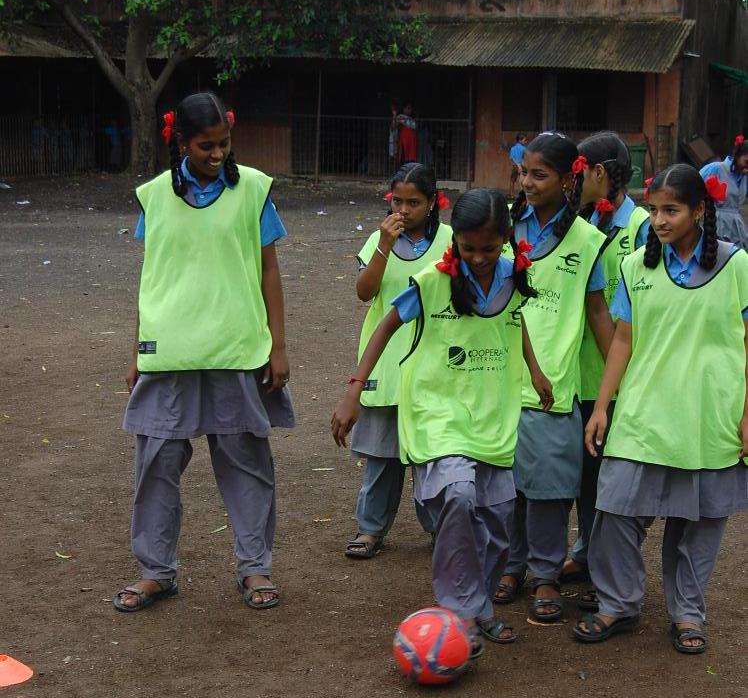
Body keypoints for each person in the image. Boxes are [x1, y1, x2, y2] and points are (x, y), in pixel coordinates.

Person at [332, 189, 553, 657]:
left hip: (492, 416)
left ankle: (479, 605)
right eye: (468, 248)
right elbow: (385, 326)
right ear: (456, 243)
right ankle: (459, 611)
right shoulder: (432, 282)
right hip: (438, 413)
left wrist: (535, 371)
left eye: (488, 249)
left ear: (505, 241)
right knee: (459, 495)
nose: (478, 258)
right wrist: (354, 390)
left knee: (496, 522)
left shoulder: (515, 276)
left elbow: (515, 323)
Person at [114, 92, 293, 612]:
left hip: (236, 349)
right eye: (205, 146)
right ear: (180, 142)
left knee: (246, 463)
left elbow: (269, 270)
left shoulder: (253, 190)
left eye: (223, 143)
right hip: (169, 350)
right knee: (156, 463)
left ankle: (255, 567)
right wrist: (137, 350)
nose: (217, 154)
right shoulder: (154, 196)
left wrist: (278, 346)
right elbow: (154, 275)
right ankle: (155, 572)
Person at [574, 164, 748, 653]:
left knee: (699, 524)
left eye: (671, 210)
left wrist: (747, 413)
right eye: (653, 210)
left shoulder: (737, 266)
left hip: (709, 416)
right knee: (614, 509)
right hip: (643, 413)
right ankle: (619, 603)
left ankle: (688, 613)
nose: (659, 220)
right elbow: (622, 341)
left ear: (699, 210)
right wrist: (602, 406)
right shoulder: (636, 267)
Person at [494, 132, 612, 623]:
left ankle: (545, 574)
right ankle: (510, 566)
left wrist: (620, 383)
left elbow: (599, 314)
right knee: (504, 486)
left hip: (554, 386)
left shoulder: (588, 241)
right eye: (524, 172)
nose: (528, 182)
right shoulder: (501, 224)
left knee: (548, 489)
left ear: (567, 179)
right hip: (499, 375)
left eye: (539, 175)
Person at [346, 163, 453, 559]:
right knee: (381, 456)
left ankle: (441, 527)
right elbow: (364, 292)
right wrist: (383, 246)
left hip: (433, 361)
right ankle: (370, 529)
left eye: (414, 203)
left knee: (431, 455)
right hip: (385, 361)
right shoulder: (379, 240)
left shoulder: (451, 240)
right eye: (398, 202)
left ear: (433, 202)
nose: (404, 211)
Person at [562, 131, 650, 607]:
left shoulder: (641, 227)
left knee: (612, 480)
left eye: (577, 173)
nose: (572, 183)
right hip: (577, 373)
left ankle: (608, 569)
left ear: (598, 173)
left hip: (617, 378)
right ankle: (585, 551)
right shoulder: (580, 221)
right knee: (585, 474)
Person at [699, 134, 747, 250]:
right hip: (714, 224)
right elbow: (693, 190)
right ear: (737, 155)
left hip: (736, 229)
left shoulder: (744, 176)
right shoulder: (715, 169)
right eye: (746, 161)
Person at [509, 133, 527, 197]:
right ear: (520, 140)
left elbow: (511, 158)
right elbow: (525, 158)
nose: (526, 142)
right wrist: (520, 165)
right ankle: (521, 194)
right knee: (521, 180)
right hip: (522, 166)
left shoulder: (513, 148)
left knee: (512, 181)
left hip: (515, 166)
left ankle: (512, 194)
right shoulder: (524, 149)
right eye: (525, 140)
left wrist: (517, 164)